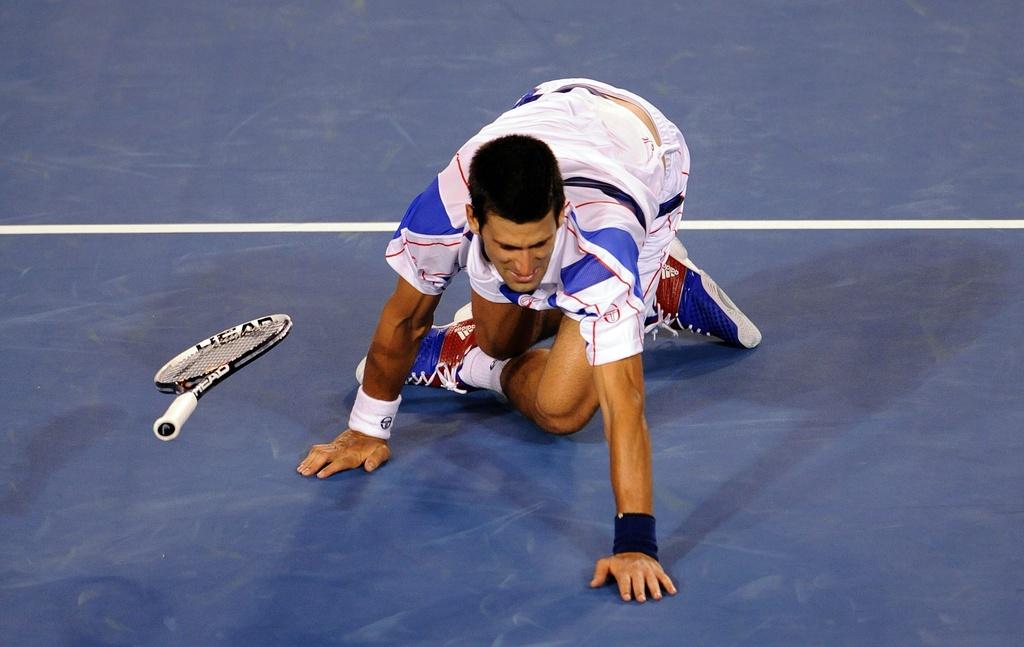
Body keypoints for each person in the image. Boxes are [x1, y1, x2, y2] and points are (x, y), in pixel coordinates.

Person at [297, 79, 761, 603]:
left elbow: (624, 403)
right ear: (473, 220)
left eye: (540, 245)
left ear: (561, 215)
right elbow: (407, 320)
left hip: (645, 157)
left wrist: (636, 543)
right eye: (506, 247)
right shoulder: (443, 213)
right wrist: (367, 428)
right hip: (553, 113)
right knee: (498, 340)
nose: (523, 265)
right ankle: (479, 351)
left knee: (562, 409)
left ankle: (657, 282)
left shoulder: (606, 250)